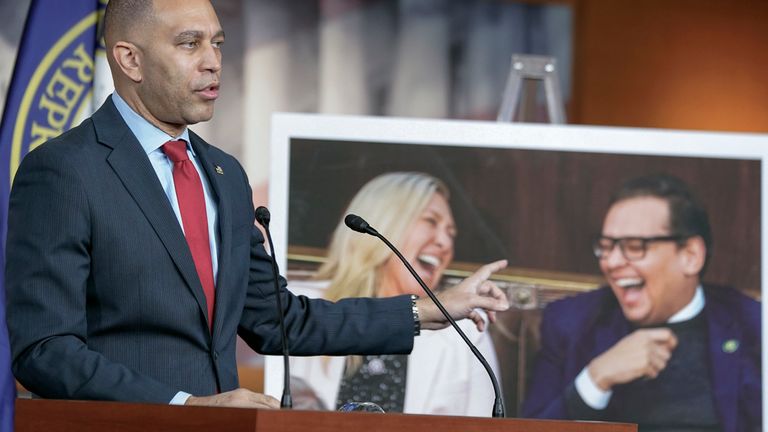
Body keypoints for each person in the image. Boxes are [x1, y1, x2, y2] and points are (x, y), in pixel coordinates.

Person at [4, 0, 509, 409]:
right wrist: (185, 406)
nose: (213, 61)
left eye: (218, 43)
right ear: (129, 58)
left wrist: (432, 309)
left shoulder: (224, 174)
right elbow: (45, 352)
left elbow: (279, 321)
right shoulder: (65, 170)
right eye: (189, 43)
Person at [521, 174, 761, 431]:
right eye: (606, 246)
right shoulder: (570, 323)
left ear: (691, 256)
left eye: (635, 246)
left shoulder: (753, 326)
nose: (611, 262)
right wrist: (596, 379)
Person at [289, 172, 501, 416]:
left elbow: (486, 424)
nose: (445, 243)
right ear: (385, 222)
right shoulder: (299, 305)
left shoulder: (466, 330)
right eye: (431, 221)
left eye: (451, 234)